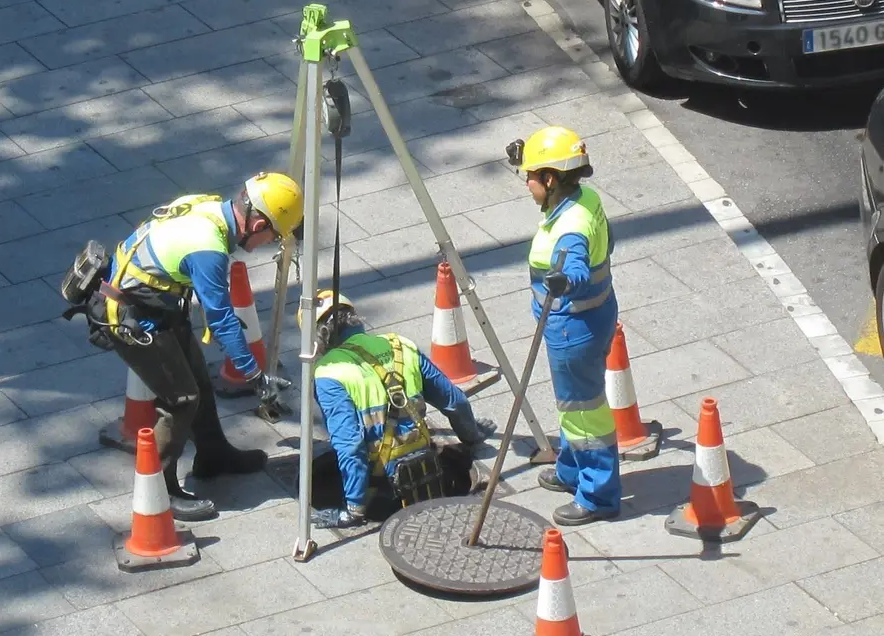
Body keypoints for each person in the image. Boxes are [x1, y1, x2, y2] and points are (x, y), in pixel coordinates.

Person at [71, 172, 303, 522]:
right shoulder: (208, 248)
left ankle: (213, 455)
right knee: (181, 399)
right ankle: (160, 489)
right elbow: (221, 317)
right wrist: (256, 376)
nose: (267, 244)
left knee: (199, 382)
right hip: (132, 318)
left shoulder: (208, 206)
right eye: (272, 236)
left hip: (154, 303)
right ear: (257, 223)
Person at [300, 290, 498, 529]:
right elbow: (454, 400)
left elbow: (349, 445)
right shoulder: (400, 346)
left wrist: (352, 510)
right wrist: (471, 436)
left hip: (382, 485)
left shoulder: (329, 372)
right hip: (425, 468)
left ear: (317, 338)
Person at [505, 126, 621, 526]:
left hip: (573, 329)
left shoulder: (570, 228)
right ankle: (572, 469)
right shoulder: (585, 199)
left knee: (585, 413)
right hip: (595, 315)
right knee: (572, 405)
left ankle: (597, 494)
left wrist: (565, 282)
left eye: (532, 178)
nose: (528, 186)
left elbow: (575, 267)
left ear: (551, 179)